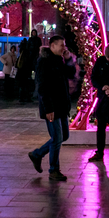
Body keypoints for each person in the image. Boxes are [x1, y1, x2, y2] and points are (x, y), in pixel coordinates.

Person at [28, 36, 76, 181]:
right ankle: (54, 170)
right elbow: (42, 87)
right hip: (52, 108)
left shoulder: (59, 60)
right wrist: (48, 108)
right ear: (52, 46)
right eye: (61, 45)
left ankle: (37, 154)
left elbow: (71, 74)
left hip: (62, 107)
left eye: (64, 45)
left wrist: (68, 60)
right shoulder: (44, 62)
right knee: (57, 138)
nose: (64, 48)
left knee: (64, 136)